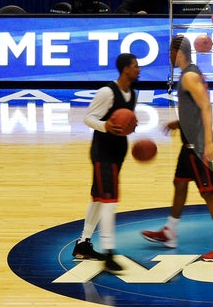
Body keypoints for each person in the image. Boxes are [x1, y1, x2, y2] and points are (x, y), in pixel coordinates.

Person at [141, 35, 213, 262]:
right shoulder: (189, 73)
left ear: (179, 52)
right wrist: (179, 123)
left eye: (170, 52)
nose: (168, 57)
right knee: (180, 183)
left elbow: (206, 106)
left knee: (209, 193)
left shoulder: (190, 76)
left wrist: (208, 142)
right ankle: (169, 232)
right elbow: (195, 107)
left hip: (197, 145)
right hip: (189, 144)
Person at [71, 53, 140, 273]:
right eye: (135, 66)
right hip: (103, 153)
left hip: (118, 152)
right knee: (110, 201)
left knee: (99, 199)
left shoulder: (133, 94)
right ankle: (109, 252)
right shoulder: (107, 92)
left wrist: (131, 126)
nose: (139, 70)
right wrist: (106, 127)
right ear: (125, 69)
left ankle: (83, 244)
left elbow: (126, 120)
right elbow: (88, 118)